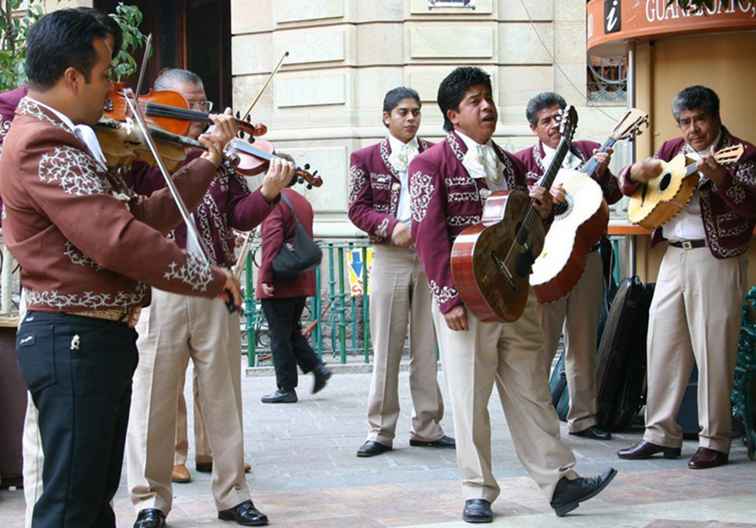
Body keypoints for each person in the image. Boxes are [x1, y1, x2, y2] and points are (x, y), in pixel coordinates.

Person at [0, 9, 242, 528]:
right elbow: (119, 241)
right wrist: (209, 278)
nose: (116, 87)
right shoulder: (42, 141)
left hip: (91, 341)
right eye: (107, 71)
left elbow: (137, 215)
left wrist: (208, 161)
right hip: (71, 340)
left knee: (90, 498)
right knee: (71, 505)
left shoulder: (69, 136)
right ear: (73, 77)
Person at [409, 67, 617, 524]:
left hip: (513, 292)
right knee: (469, 397)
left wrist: (544, 210)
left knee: (532, 391)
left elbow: (525, 232)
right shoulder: (429, 164)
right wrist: (446, 298)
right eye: (474, 101)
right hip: (464, 297)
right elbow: (429, 238)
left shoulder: (510, 163)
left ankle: (559, 481)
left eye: (488, 97)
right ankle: (477, 489)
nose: (486, 106)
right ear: (452, 115)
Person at [124, 68, 293, 528]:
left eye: (203, 103)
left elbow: (240, 215)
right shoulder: (145, 152)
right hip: (162, 286)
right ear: (161, 103)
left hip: (216, 284)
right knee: (154, 397)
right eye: (190, 105)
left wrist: (270, 192)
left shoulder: (221, 157)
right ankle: (149, 502)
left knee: (223, 395)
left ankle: (233, 494)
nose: (202, 113)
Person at [617, 85, 755, 469]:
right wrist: (632, 172)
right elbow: (629, 190)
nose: (693, 129)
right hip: (673, 258)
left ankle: (715, 440)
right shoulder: (670, 152)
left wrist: (724, 181)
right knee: (661, 342)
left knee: (714, 349)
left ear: (716, 116)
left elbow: (752, 206)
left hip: (716, 258)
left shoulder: (741, 154)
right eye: (685, 122)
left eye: (700, 120)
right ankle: (660, 434)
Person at [348, 86, 454, 457]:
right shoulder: (363, 157)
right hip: (389, 254)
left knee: (427, 346)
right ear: (386, 117)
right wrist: (391, 225)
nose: (411, 118)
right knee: (386, 346)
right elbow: (356, 208)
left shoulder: (437, 153)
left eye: (416, 112)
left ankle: (427, 425)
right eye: (403, 112)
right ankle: (380, 429)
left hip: (430, 256)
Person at [514, 91, 621, 441]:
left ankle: (584, 418)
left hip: (586, 257)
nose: (554, 126)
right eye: (546, 121)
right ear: (533, 128)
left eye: (558, 118)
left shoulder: (588, 151)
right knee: (541, 342)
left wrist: (602, 174)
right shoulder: (524, 163)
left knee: (583, 340)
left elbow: (615, 193)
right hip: (545, 262)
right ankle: (537, 420)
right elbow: (519, 215)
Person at [256, 152, 332, 403]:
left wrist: (265, 276)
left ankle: (286, 388)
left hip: (280, 279)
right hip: (300, 279)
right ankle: (317, 368)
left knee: (279, 335)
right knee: (291, 331)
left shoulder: (274, 201)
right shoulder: (302, 201)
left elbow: (272, 241)